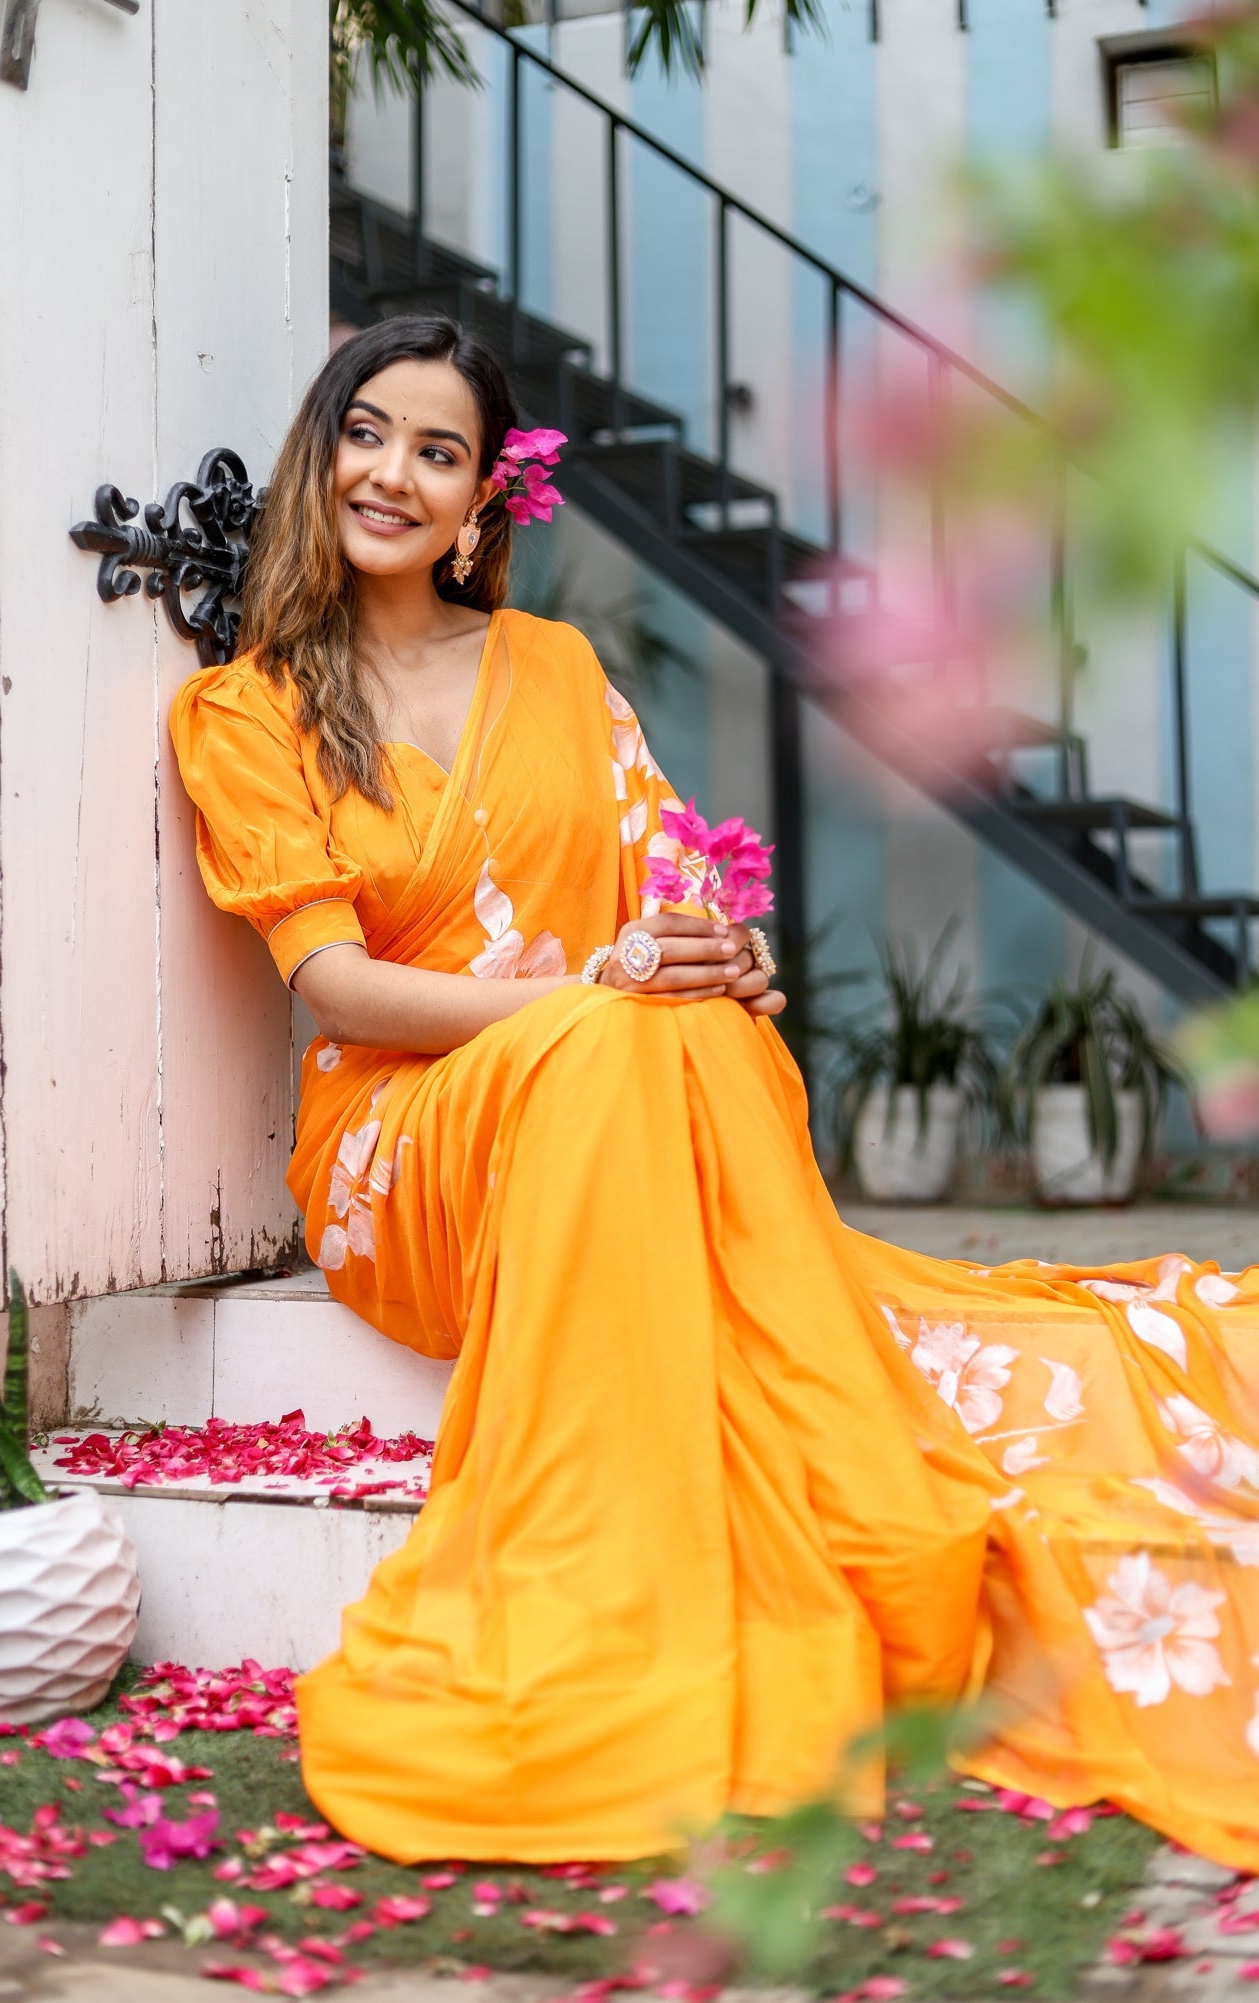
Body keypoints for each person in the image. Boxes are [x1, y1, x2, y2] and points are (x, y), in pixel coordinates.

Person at [171, 315, 1259, 1870]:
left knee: (682, 1030)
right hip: (405, 1144)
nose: (393, 474)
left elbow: (676, 885)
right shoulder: (249, 708)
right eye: (368, 432)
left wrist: (717, 952)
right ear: (318, 448)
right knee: (619, 1036)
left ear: (486, 499)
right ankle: (616, 1602)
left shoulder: (551, 668)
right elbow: (331, 989)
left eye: (438, 451)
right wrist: (583, 1001)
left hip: (606, 1081)